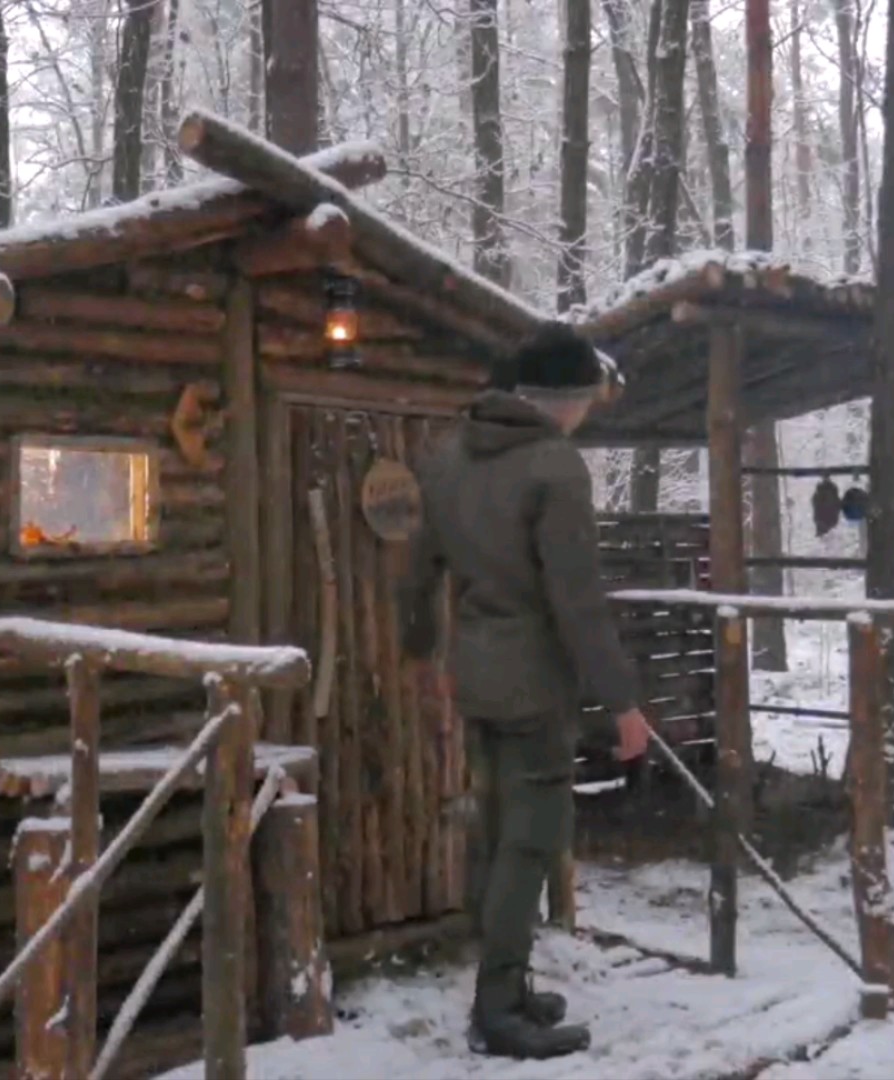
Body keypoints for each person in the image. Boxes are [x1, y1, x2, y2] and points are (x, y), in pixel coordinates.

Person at [398, 321, 651, 1060]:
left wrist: (420, 655)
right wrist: (624, 702)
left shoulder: (446, 458)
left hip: (473, 674)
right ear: (565, 399)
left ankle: (505, 985)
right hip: (534, 683)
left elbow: (417, 575)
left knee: (497, 827)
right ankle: (499, 1007)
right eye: (585, 399)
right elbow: (577, 601)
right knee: (532, 837)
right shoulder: (553, 467)